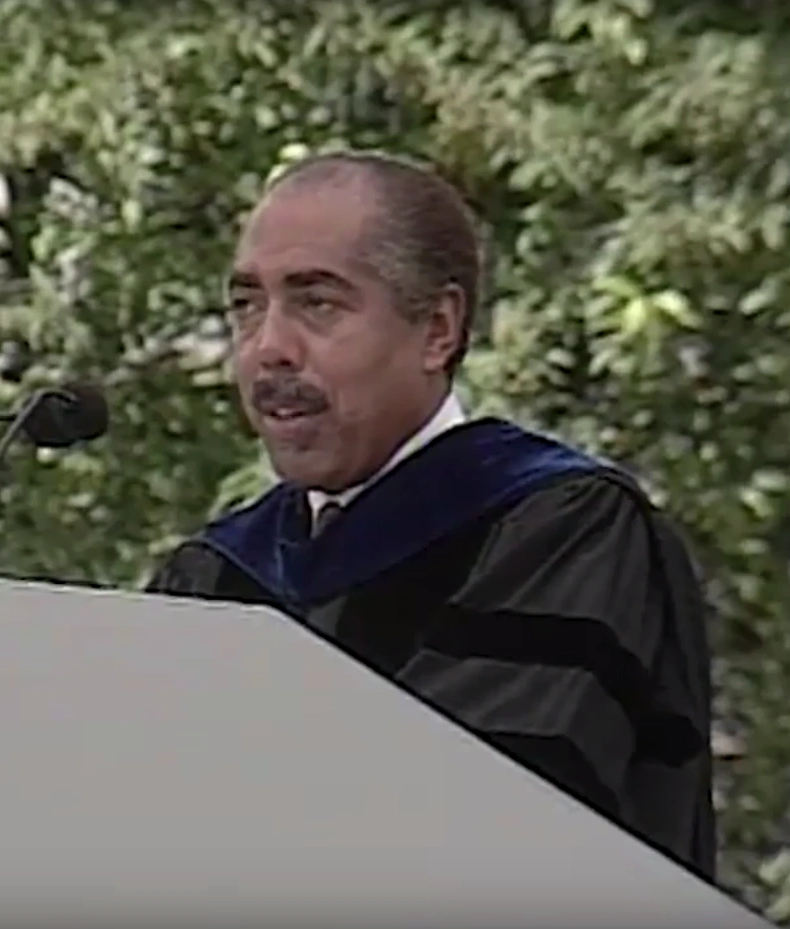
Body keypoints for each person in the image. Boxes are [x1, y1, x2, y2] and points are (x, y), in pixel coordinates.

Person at [146, 150, 716, 879]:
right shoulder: (214, 574)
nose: (268, 348)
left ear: (437, 330)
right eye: (245, 305)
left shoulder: (560, 528)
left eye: (316, 302)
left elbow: (499, 824)